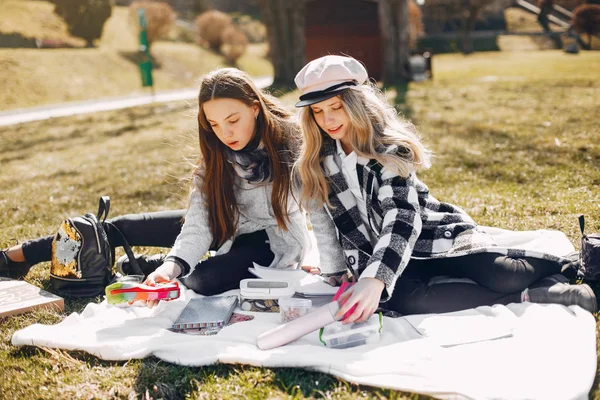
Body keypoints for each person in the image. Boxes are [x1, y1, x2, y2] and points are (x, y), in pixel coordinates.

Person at [292, 55, 597, 322]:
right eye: (317, 112)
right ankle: (538, 295)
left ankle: (572, 266)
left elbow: (402, 219)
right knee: (399, 301)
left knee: (500, 275)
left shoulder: (389, 150)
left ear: (356, 104)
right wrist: (334, 272)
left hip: (432, 235)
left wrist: (375, 279)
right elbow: (323, 220)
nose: (327, 119)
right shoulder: (318, 162)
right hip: (382, 255)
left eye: (335, 107)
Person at [1, 68, 320, 300]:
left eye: (233, 120)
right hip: (223, 226)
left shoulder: (292, 141)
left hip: (267, 241)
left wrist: (329, 263)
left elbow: (323, 204)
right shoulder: (215, 157)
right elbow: (199, 223)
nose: (225, 132)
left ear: (254, 106)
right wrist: (173, 266)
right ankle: (17, 257)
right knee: (117, 227)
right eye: (214, 123)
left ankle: (143, 266)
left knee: (203, 281)